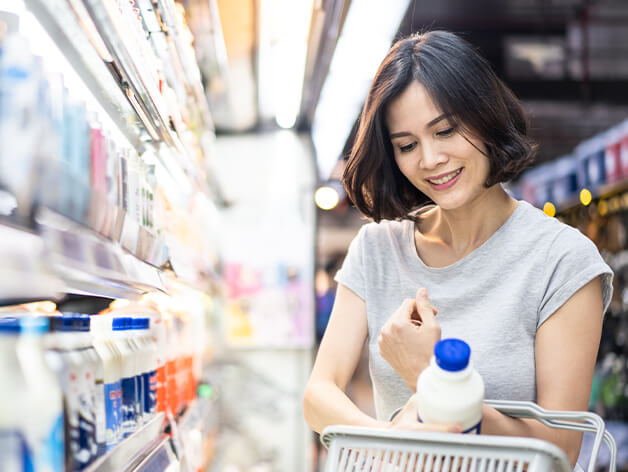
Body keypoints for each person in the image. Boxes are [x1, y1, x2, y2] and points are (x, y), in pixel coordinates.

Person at [302, 30, 613, 467]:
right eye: (407, 146)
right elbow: (319, 394)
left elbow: (559, 448)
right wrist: (391, 439)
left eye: (445, 130)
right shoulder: (377, 248)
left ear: (484, 116)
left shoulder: (562, 261)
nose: (430, 159)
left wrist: (434, 382)